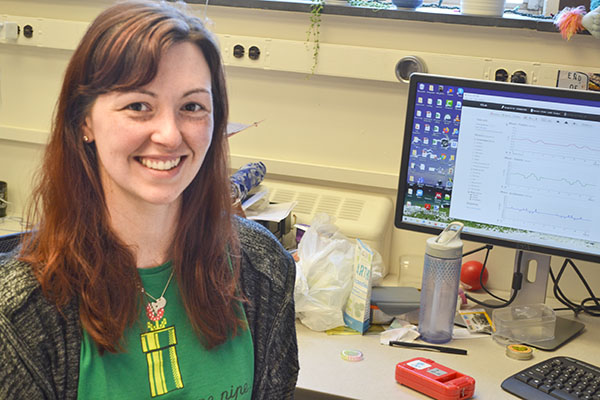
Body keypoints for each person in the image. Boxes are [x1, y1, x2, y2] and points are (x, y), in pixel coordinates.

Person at [0, 1, 299, 399]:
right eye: (139, 106)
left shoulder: (262, 269)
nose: (170, 135)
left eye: (192, 107)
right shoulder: (20, 313)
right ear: (84, 120)